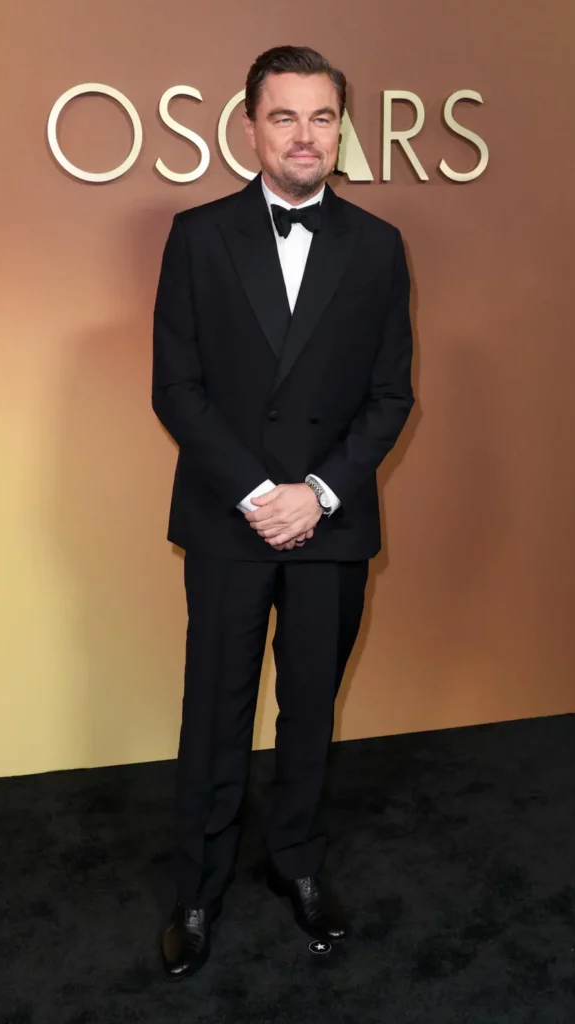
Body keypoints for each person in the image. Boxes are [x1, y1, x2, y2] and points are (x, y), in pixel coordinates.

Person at [152, 44, 414, 980]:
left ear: (339, 127)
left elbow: (389, 395)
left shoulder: (378, 244)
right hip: (232, 518)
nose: (305, 135)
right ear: (250, 127)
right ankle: (196, 888)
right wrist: (261, 494)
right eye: (284, 116)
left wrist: (319, 493)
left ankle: (296, 862)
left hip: (330, 523)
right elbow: (177, 389)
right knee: (214, 710)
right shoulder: (196, 235)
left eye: (321, 117)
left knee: (310, 707)